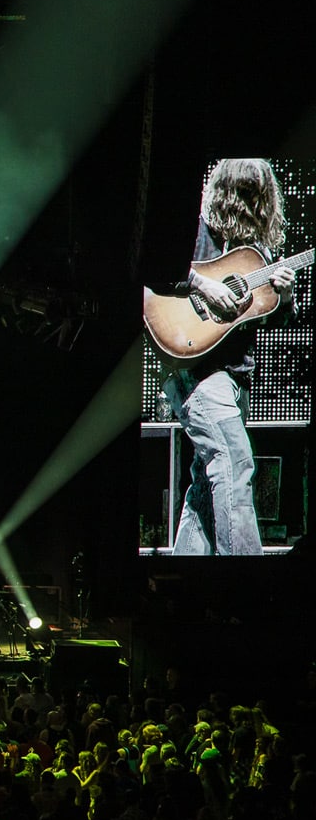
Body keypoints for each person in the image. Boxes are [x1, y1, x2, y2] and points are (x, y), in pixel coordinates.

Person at [162, 158, 298, 554]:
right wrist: (201, 284)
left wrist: (284, 295)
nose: (250, 205)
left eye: (255, 198)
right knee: (236, 465)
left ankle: (184, 577)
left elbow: (267, 319)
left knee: (206, 489)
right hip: (197, 372)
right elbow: (150, 270)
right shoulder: (193, 230)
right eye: (244, 195)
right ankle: (246, 578)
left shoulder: (256, 252)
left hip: (236, 376)